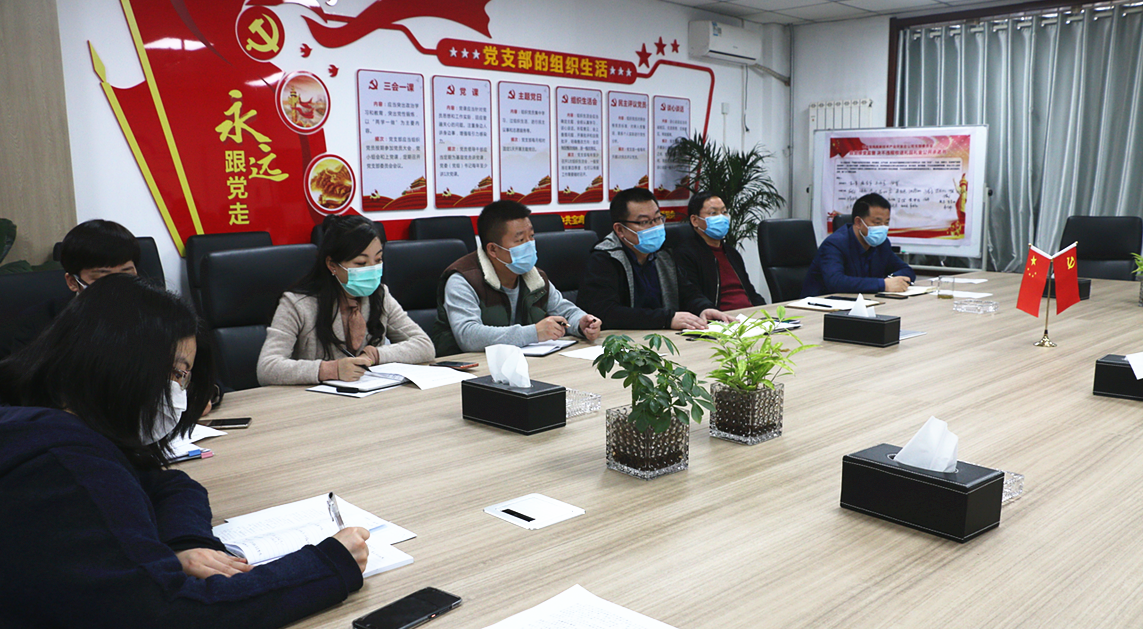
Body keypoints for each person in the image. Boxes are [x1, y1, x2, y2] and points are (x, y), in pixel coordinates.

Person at [0, 274, 370, 627]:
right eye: (177, 374)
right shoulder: (60, 468)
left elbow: (171, 485)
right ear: (120, 360)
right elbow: (171, 615)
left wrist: (186, 545)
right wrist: (327, 564)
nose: (180, 392)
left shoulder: (53, 420)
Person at [258, 214, 434, 385]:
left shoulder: (380, 295)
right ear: (332, 265)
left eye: (378, 260)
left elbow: (424, 346)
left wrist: (375, 355)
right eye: (361, 263)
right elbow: (267, 368)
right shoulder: (297, 304)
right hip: (313, 399)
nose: (372, 269)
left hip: (370, 395)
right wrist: (331, 370)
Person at [432, 200, 601, 355]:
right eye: (520, 240)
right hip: (470, 368)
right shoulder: (464, 279)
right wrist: (534, 333)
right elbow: (468, 336)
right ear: (493, 249)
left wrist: (582, 323)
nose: (529, 244)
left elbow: (565, 311)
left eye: (531, 236)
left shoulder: (534, 277)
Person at [578, 187, 732, 330]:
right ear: (620, 230)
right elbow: (606, 313)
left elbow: (687, 292)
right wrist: (666, 319)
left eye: (658, 218)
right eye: (645, 222)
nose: (655, 226)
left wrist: (704, 308)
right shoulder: (604, 259)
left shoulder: (664, 253)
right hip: (621, 341)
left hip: (663, 336)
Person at [0, 219, 139, 361]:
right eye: (101, 277)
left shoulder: (151, 312)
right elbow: (25, 373)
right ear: (72, 282)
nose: (116, 285)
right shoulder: (39, 322)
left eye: (126, 274)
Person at [800, 193, 916, 297]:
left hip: (861, 303)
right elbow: (836, 282)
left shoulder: (882, 244)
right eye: (877, 223)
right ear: (858, 222)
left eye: (886, 223)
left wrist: (893, 280)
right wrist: (883, 284)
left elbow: (906, 270)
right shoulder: (834, 244)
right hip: (819, 307)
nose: (882, 228)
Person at [673, 192, 766, 311]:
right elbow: (692, 297)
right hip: (721, 317)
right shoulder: (686, 254)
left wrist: (765, 311)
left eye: (724, 212)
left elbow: (751, 293)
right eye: (713, 213)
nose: (721, 217)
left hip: (750, 315)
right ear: (695, 220)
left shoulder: (731, 253)